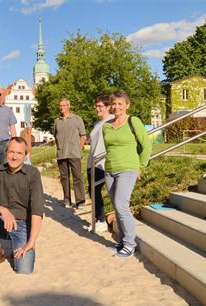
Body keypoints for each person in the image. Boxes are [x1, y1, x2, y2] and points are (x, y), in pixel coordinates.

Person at [0, 137, 44, 274]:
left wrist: (31, 242)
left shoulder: (33, 174)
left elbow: (37, 210)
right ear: (6, 152)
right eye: (11, 152)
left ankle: (16, 245)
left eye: (19, 153)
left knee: (24, 270)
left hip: (23, 225)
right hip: (2, 221)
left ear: (25, 155)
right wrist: (2, 210)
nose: (14, 156)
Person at [103, 90, 152, 258]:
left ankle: (130, 244)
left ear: (127, 105)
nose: (116, 107)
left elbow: (146, 145)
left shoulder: (133, 121)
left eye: (120, 104)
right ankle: (123, 241)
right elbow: (109, 148)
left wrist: (141, 166)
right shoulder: (106, 126)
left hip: (128, 169)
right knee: (116, 206)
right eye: (114, 104)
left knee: (121, 205)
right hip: (109, 170)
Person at [53, 98, 87, 209]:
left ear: (69, 106)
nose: (62, 107)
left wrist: (80, 149)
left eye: (64, 105)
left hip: (74, 153)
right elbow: (56, 136)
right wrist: (59, 148)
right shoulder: (56, 121)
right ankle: (67, 200)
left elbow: (83, 135)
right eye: (60, 106)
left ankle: (80, 201)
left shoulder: (77, 119)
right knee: (64, 178)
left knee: (77, 177)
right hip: (61, 154)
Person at [86, 96, 114, 233]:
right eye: (96, 106)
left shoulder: (111, 121)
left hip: (102, 162)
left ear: (108, 107)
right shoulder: (98, 123)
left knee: (96, 191)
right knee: (92, 191)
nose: (97, 108)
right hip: (92, 161)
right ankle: (98, 219)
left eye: (100, 106)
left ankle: (102, 220)